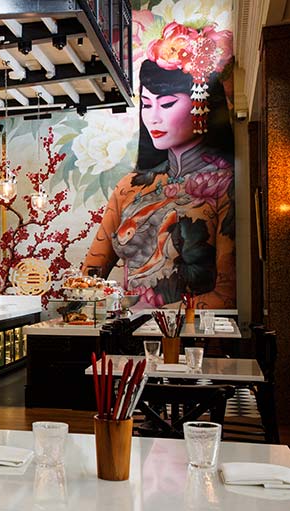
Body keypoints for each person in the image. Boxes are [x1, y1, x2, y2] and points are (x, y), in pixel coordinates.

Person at [83, 22, 235, 309]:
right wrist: (88, 303)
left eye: (166, 104)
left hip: (189, 331)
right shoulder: (129, 187)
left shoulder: (224, 185)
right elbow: (90, 276)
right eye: (146, 104)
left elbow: (228, 296)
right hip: (127, 329)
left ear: (200, 104)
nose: (152, 117)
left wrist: (152, 315)